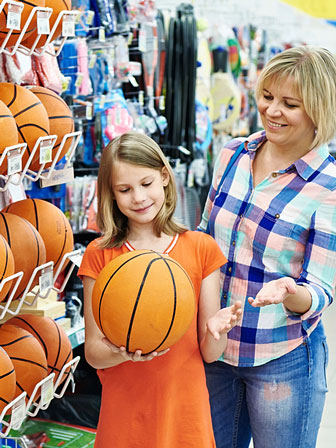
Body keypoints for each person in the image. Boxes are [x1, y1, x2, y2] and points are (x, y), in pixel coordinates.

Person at [198, 45, 336, 448]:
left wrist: (290, 292)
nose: (273, 110)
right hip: (214, 350)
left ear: (319, 110)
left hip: (281, 356)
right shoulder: (233, 154)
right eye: (268, 96)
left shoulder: (328, 187)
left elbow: (320, 292)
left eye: (290, 103)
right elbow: (205, 238)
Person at [77, 131, 242, 448]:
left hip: (184, 412)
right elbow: (94, 353)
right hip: (124, 413)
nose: (138, 197)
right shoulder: (99, 254)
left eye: (146, 183)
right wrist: (121, 352)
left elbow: (209, 352)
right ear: (111, 194)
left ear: (165, 177)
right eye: (124, 190)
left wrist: (218, 332)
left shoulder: (200, 248)